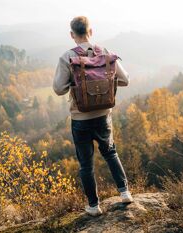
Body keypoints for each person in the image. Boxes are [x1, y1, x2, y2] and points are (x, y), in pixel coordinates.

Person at [53, 16, 133, 216]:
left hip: (80, 119)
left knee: (86, 164)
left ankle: (94, 206)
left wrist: (76, 84)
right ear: (91, 31)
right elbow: (125, 80)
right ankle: (125, 193)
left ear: (72, 35)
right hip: (104, 115)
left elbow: (58, 89)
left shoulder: (67, 57)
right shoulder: (105, 53)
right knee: (111, 153)